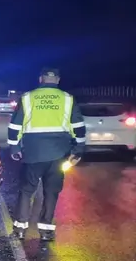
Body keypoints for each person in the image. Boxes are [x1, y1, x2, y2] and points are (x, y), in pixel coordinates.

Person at [7, 67, 86, 241]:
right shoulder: (67, 99)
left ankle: (20, 228)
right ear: (58, 80)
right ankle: (46, 230)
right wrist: (78, 150)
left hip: (33, 153)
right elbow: (78, 127)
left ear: (40, 79)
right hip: (59, 153)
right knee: (52, 192)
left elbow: (15, 126)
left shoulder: (28, 98)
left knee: (27, 191)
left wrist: (14, 148)